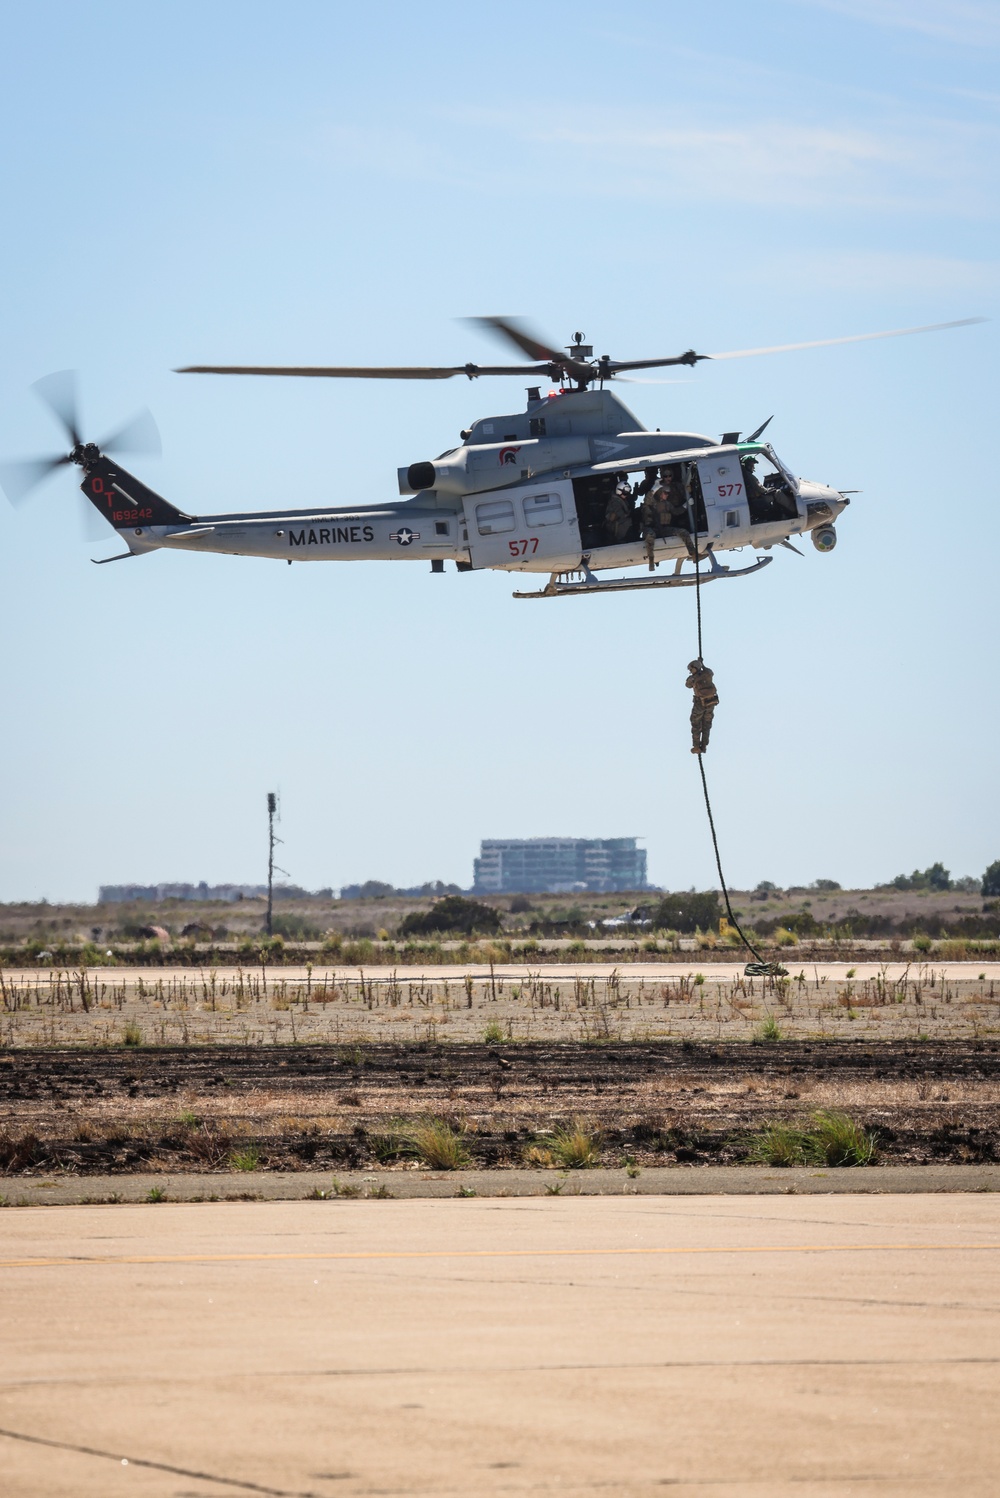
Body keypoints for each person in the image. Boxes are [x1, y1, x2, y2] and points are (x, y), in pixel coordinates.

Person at [686, 657, 719, 755]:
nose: (691, 672)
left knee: (696, 724)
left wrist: (692, 677)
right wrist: (702, 664)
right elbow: (710, 672)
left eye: (691, 669)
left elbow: (688, 685)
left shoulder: (694, 678)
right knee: (706, 724)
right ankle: (704, 745)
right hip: (711, 702)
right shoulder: (707, 673)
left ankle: (696, 746)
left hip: (699, 704)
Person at [604, 477, 634, 543]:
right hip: (616, 527)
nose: (626, 495)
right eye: (625, 493)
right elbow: (621, 514)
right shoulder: (615, 502)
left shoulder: (621, 500)